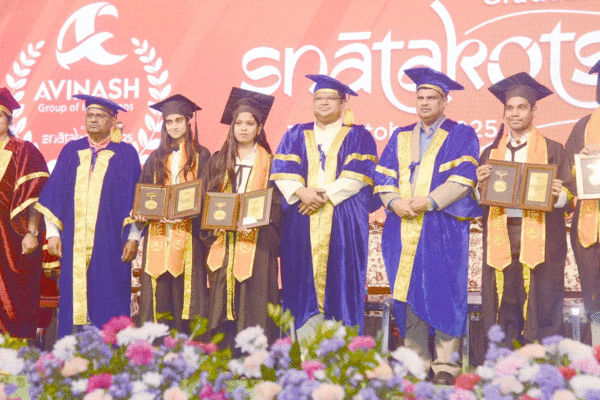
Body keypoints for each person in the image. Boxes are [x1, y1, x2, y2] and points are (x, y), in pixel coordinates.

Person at [374, 67, 480, 385]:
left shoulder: (462, 134)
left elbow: (464, 178)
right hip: (402, 227)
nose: (424, 103)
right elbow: (383, 176)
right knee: (407, 290)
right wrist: (394, 202)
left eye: (431, 97)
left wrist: (430, 201)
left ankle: (446, 363)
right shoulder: (400, 136)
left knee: (444, 289)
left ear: (444, 101)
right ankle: (415, 359)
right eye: (420, 97)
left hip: (442, 227)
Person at [271, 74, 378, 340]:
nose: (324, 102)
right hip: (301, 220)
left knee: (342, 282)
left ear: (344, 103)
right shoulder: (295, 133)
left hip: (343, 221)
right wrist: (302, 192)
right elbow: (283, 172)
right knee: (300, 282)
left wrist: (321, 196)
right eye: (319, 98)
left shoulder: (359, 135)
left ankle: (342, 354)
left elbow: (357, 177)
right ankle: (303, 352)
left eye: (331, 98)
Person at [477, 72, 575, 348]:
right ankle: (504, 358)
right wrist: (479, 186)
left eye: (521, 107)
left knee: (543, 296)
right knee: (506, 296)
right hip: (502, 232)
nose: (514, 113)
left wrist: (558, 195)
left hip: (543, 236)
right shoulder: (490, 153)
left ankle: (541, 358)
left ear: (534, 111)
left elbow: (570, 198)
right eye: (510, 108)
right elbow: (480, 201)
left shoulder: (553, 150)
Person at [35, 95, 141, 338]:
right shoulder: (72, 151)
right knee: (73, 295)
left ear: (113, 121)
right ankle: (71, 351)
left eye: (100, 116)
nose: (93, 120)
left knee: (111, 293)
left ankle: (111, 353)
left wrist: (133, 238)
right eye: (90, 115)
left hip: (111, 243)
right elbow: (54, 195)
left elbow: (136, 199)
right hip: (73, 242)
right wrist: (53, 234)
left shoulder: (125, 154)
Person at [201, 87, 281, 347]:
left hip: (258, 246)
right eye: (239, 123)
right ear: (232, 127)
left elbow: (278, 206)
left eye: (250, 123)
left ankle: (256, 359)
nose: (244, 128)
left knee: (256, 304)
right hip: (223, 244)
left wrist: (257, 223)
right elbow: (206, 202)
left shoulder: (272, 164)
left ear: (259, 128)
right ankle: (224, 357)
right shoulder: (217, 161)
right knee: (222, 305)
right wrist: (223, 223)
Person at [136, 94, 211, 333]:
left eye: (179, 120)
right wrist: (143, 214)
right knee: (159, 292)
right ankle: (156, 346)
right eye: (169, 122)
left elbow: (208, 194)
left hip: (189, 235)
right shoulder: (155, 158)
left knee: (186, 293)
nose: (174, 126)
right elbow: (144, 195)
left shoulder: (202, 156)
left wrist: (190, 213)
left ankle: (188, 346)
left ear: (188, 122)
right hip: (159, 234)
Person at [0, 87, 49, 338]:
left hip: (13, 236)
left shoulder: (23, 150)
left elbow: (36, 197)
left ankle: (15, 348)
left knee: (16, 293)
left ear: (9, 120)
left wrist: (32, 232)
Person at [565, 59, 600, 346]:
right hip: (589, 225)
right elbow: (567, 176)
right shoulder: (584, 126)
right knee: (594, 294)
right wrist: (582, 163)